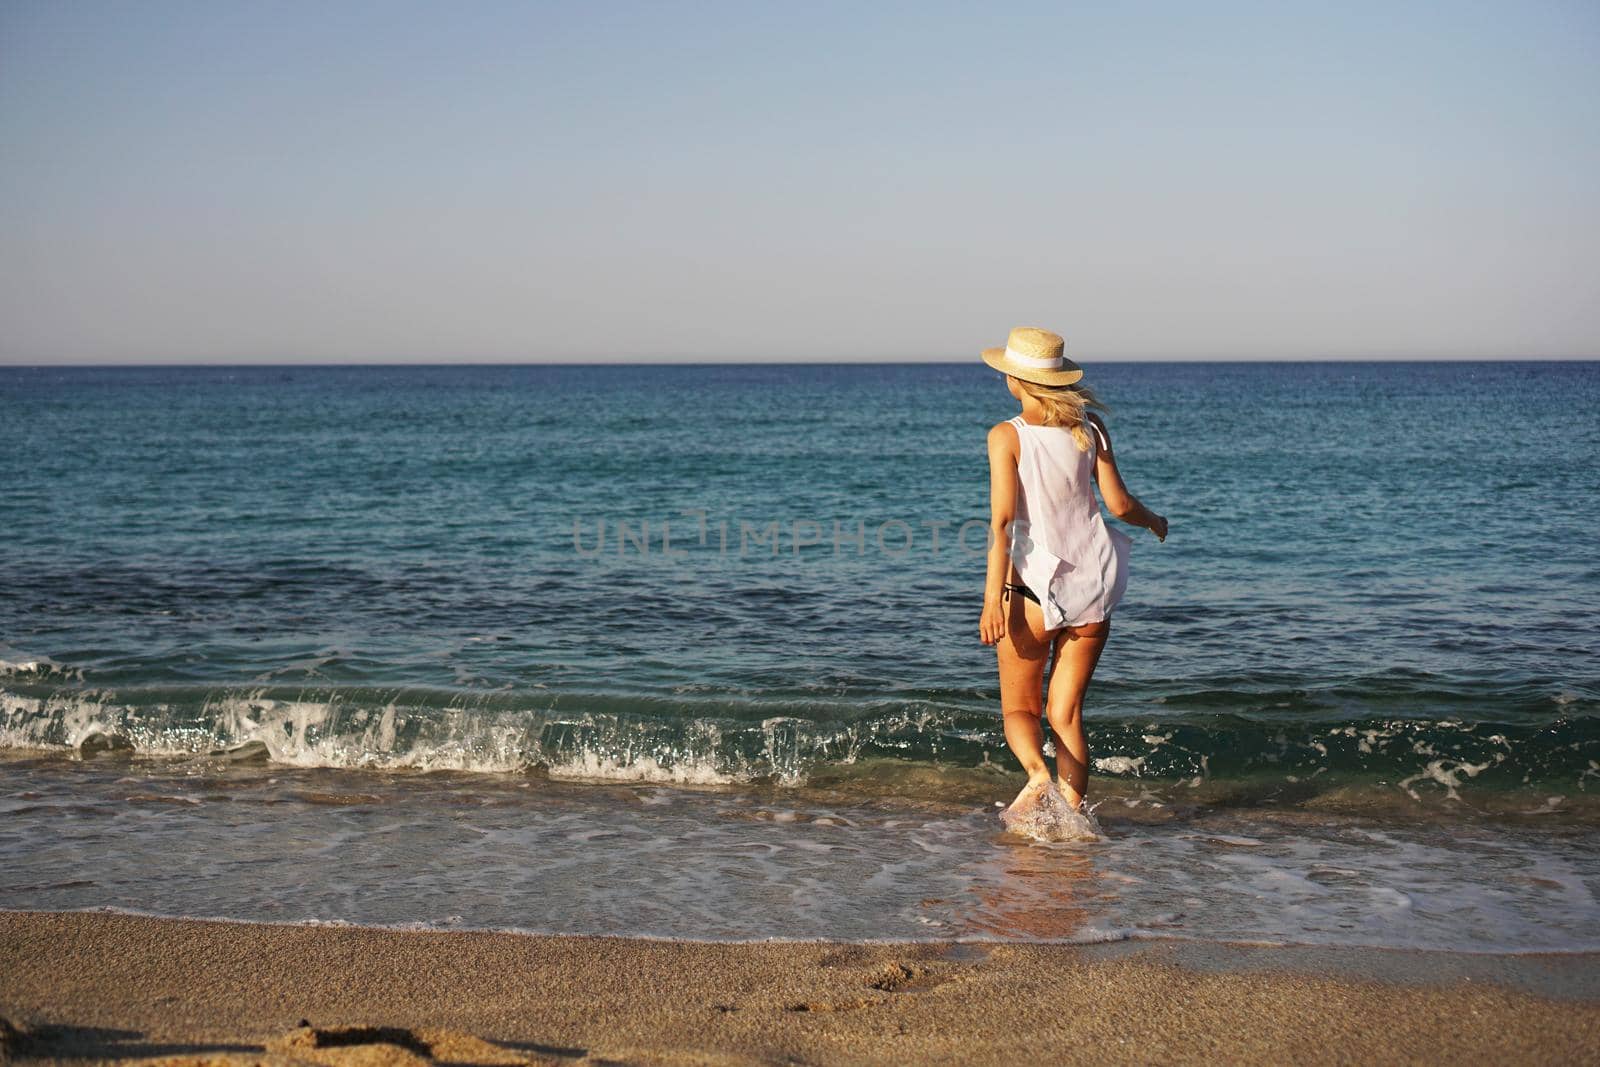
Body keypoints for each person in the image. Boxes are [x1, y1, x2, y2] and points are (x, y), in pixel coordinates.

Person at [976, 327, 1167, 824]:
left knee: (1020, 710)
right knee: (1066, 714)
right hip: (1094, 586)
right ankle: (1072, 821)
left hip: (1033, 590)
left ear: (1016, 381)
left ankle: (1038, 776)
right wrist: (1155, 521)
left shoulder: (1007, 435)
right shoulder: (1092, 427)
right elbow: (1121, 506)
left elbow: (1000, 522)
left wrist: (992, 598)